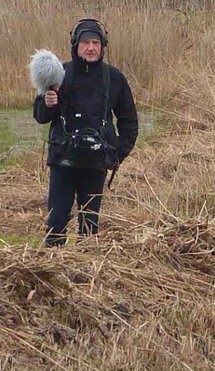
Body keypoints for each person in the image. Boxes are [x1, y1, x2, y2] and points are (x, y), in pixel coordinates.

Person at [33, 18, 138, 245]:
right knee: (56, 223)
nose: (91, 48)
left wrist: (116, 154)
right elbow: (40, 117)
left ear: (102, 46)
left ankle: (87, 273)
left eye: (95, 43)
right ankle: (52, 269)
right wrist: (47, 103)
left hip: (96, 164)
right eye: (85, 43)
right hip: (63, 161)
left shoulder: (115, 78)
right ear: (75, 45)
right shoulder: (59, 73)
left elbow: (130, 122)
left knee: (90, 226)